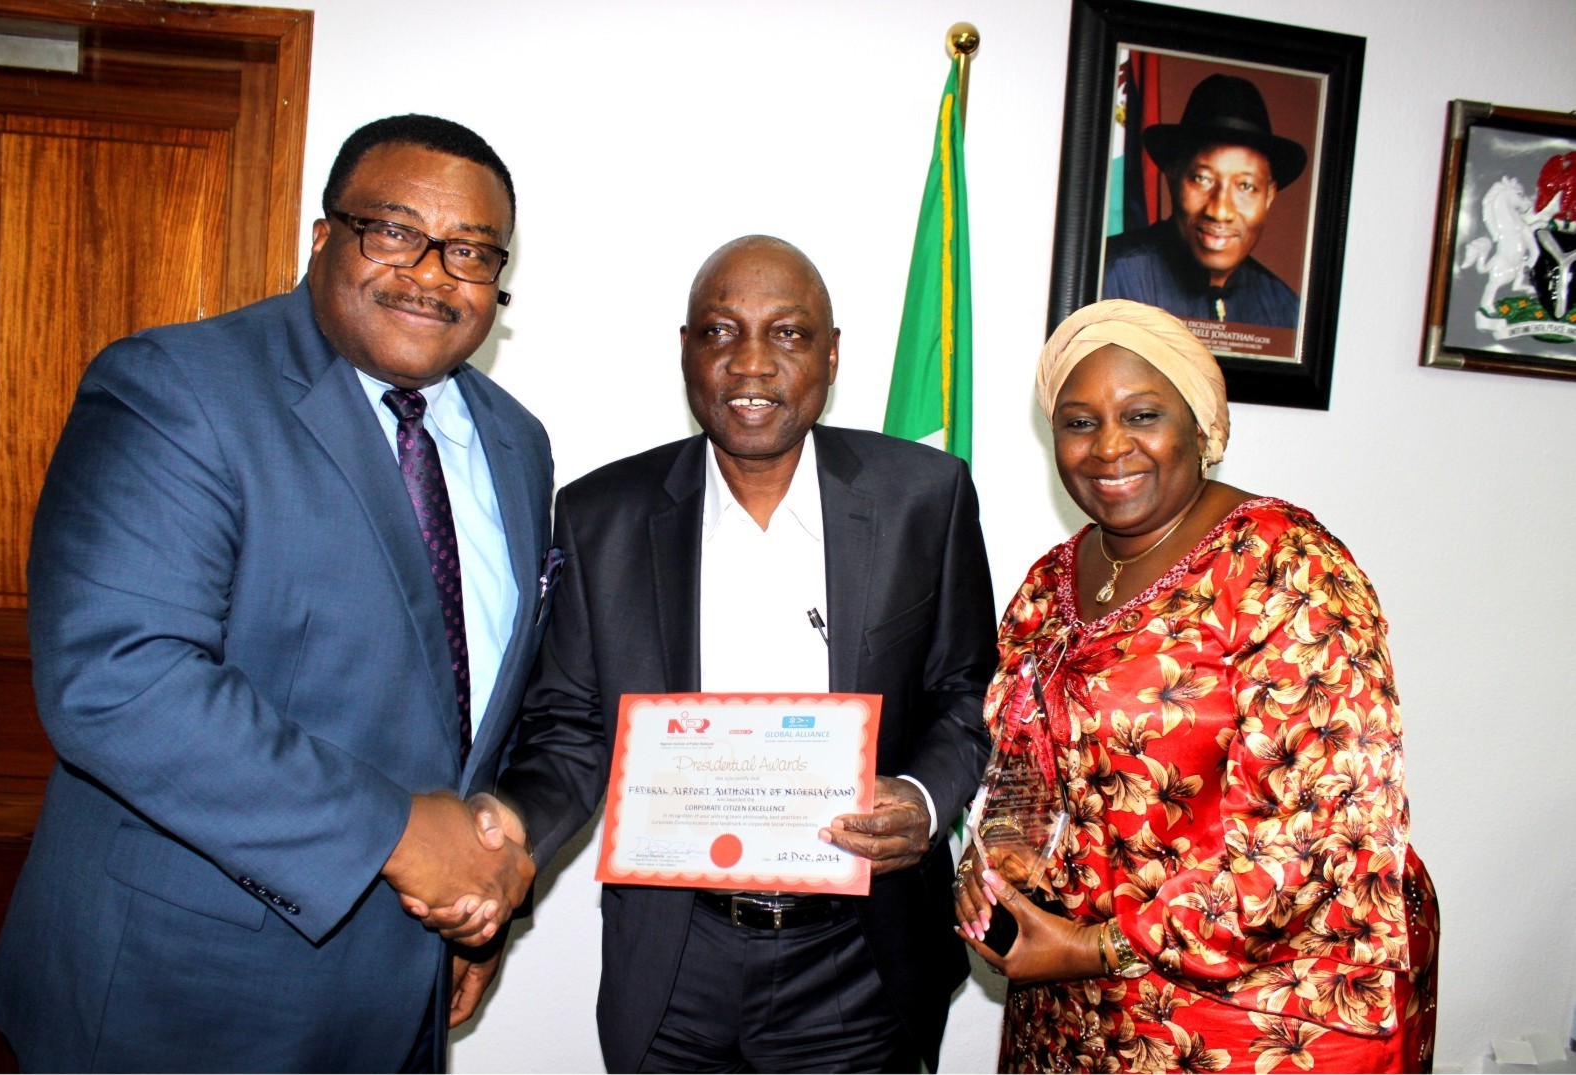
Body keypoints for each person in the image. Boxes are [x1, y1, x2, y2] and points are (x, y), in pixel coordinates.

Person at [0, 114, 551, 1072]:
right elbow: (122, 680)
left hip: (402, 988)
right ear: (324, 237)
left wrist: (478, 896)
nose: (430, 272)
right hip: (179, 999)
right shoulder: (176, 388)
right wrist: (403, 833)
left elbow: (475, 700)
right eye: (396, 231)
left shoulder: (516, 441)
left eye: (469, 252)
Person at [481, 235, 996, 1072]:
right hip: (677, 956)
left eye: (787, 334)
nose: (750, 363)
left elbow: (970, 688)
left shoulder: (922, 496)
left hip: (857, 957)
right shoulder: (600, 514)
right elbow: (567, 726)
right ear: (685, 350)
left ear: (831, 356)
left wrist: (923, 798)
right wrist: (506, 835)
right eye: (720, 332)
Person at [952, 299, 1439, 1072]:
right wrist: (993, 867)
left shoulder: (1286, 568)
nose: (1108, 446)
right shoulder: (1051, 580)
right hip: (1071, 1012)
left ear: (1200, 426)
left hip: (1251, 1015)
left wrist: (1100, 944)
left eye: (1140, 414)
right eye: (1078, 423)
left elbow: (1325, 832)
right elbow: (1020, 767)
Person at [1103, 74, 1307, 328]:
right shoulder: (1107, 278)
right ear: (1172, 177)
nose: (1220, 211)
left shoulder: (1286, 312)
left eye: (1246, 186)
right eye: (1202, 179)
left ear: (1268, 196)